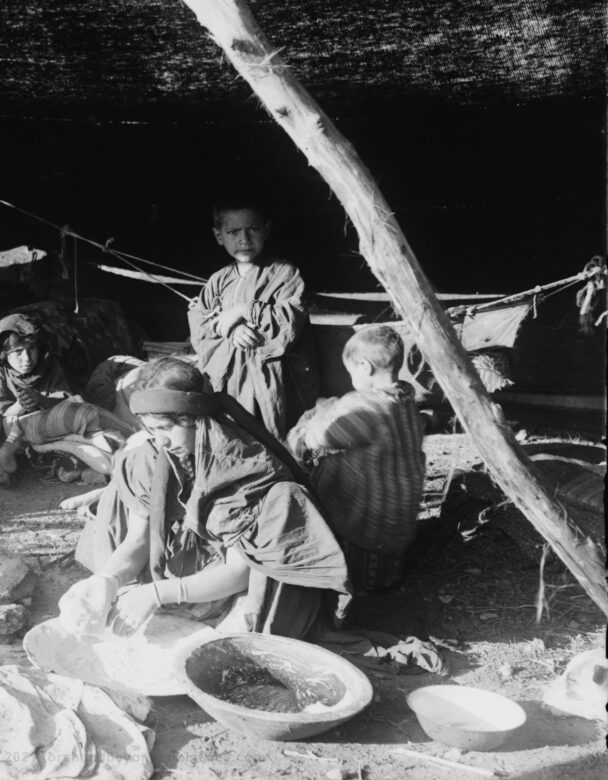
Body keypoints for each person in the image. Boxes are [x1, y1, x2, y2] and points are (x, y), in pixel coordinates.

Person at [58, 357, 348, 641]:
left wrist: (159, 593)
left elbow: (238, 572)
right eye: (151, 431)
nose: (161, 442)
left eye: (165, 429)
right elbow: (139, 539)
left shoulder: (243, 469)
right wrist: (109, 579)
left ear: (198, 421)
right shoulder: (153, 456)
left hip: (238, 576)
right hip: (193, 561)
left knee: (235, 637)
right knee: (118, 491)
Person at [287, 325, 426, 592]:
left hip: (364, 520)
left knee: (317, 458)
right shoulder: (406, 400)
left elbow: (319, 437)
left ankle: (346, 578)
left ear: (364, 367)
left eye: (351, 372)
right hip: (398, 518)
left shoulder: (363, 406)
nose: (351, 378)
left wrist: (313, 420)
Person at [187, 195, 318, 438]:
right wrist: (229, 329)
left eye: (253, 229)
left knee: (277, 440)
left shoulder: (283, 273)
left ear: (266, 230)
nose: (244, 239)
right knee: (236, 436)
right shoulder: (218, 279)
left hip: (271, 383)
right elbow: (200, 319)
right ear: (219, 236)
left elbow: (289, 321)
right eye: (233, 231)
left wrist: (245, 310)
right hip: (230, 382)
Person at [0, 313, 127, 484]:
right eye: (18, 352)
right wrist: (21, 405)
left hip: (52, 419)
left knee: (84, 424)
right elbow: (2, 410)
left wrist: (40, 400)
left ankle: (109, 463)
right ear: (3, 354)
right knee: (1, 428)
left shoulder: (49, 365)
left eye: (31, 349)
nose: (26, 358)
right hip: (16, 423)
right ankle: (1, 464)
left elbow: (67, 401)